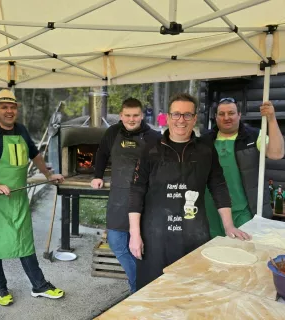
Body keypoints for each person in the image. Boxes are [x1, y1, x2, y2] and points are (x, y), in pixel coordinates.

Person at [128, 93, 251, 290]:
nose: (181, 120)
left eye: (187, 115)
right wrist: (135, 234)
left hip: (193, 232)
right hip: (155, 235)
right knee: (153, 290)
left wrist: (229, 226)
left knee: (191, 288)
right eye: (176, 114)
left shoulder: (206, 150)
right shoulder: (150, 149)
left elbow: (218, 187)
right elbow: (136, 192)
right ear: (168, 117)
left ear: (195, 119)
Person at [0, 89, 65, 306]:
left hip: (18, 197)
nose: (9, 111)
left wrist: (48, 174)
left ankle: (39, 285)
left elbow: (35, 154)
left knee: (25, 242)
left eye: (12, 107)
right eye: (4, 107)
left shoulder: (22, 130)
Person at [90, 98, 160, 293]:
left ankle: (138, 288)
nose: (131, 119)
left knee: (142, 246)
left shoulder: (154, 137)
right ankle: (139, 283)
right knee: (116, 242)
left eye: (135, 115)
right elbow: (102, 153)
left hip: (145, 199)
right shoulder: (112, 133)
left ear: (142, 115)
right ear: (121, 116)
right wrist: (97, 176)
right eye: (127, 115)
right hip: (119, 197)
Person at [203, 98, 284, 238]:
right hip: (210, 212)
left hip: (245, 212)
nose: (226, 117)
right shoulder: (205, 139)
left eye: (231, 113)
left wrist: (271, 119)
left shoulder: (253, 136)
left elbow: (277, 153)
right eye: (221, 114)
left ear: (239, 115)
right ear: (215, 117)